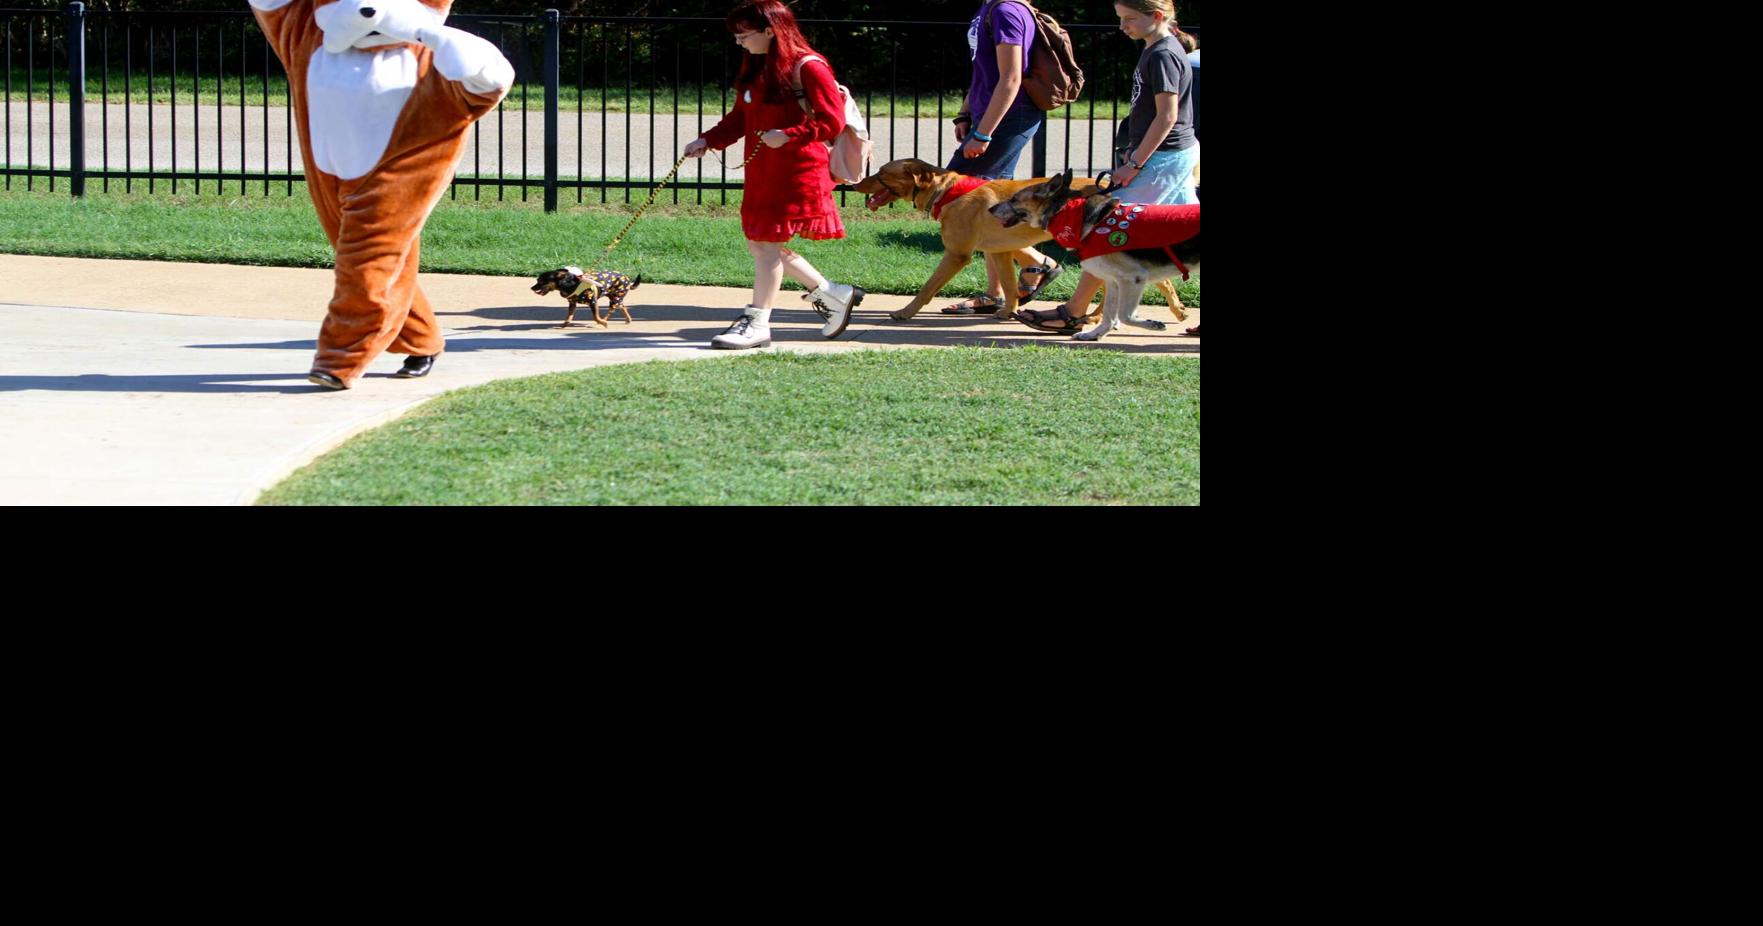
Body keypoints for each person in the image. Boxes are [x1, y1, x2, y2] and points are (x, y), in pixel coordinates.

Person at [249, 0, 513, 389]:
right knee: (378, 260)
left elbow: (484, 87)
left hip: (403, 167)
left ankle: (340, 359)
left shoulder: (431, 54)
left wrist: (472, 62)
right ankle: (421, 340)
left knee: (366, 261)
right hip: (332, 168)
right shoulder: (308, 34)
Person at [684, 0, 863, 350]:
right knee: (761, 244)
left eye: (744, 34)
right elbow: (740, 118)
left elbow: (832, 121)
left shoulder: (809, 67)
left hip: (798, 171)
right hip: (763, 170)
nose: (739, 41)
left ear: (770, 30)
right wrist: (708, 139)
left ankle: (757, 322)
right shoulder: (756, 65)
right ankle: (832, 294)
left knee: (766, 245)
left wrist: (790, 135)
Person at [1017, 1, 1198, 333]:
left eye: (1129, 19)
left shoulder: (1162, 54)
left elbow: (1167, 117)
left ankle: (1074, 312)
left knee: (1106, 234)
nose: (1123, 26)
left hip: (1161, 159)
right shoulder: (1158, 47)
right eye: (1120, 18)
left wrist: (1133, 163)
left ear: (1156, 17)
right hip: (1173, 155)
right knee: (1191, 232)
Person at [940, 0, 1062, 316]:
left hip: (1009, 117)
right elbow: (983, 72)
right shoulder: (988, 8)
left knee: (958, 201)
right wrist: (965, 114)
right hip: (989, 116)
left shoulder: (1008, 10)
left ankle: (1036, 265)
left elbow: (1011, 78)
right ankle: (1006, 285)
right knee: (984, 208)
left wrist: (984, 133)